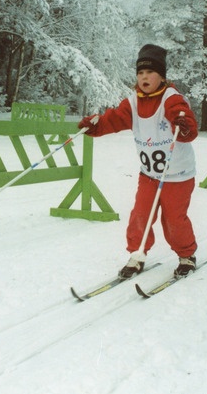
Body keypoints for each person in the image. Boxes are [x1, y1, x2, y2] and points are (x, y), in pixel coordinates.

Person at [78, 44, 199, 279]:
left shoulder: (172, 99)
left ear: (161, 76)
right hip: (150, 174)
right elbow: (114, 119)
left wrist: (184, 126)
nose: (144, 77)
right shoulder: (133, 102)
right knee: (140, 215)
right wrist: (95, 126)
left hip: (178, 175)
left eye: (150, 73)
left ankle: (186, 255)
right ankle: (137, 254)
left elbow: (186, 123)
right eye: (140, 73)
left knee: (174, 220)